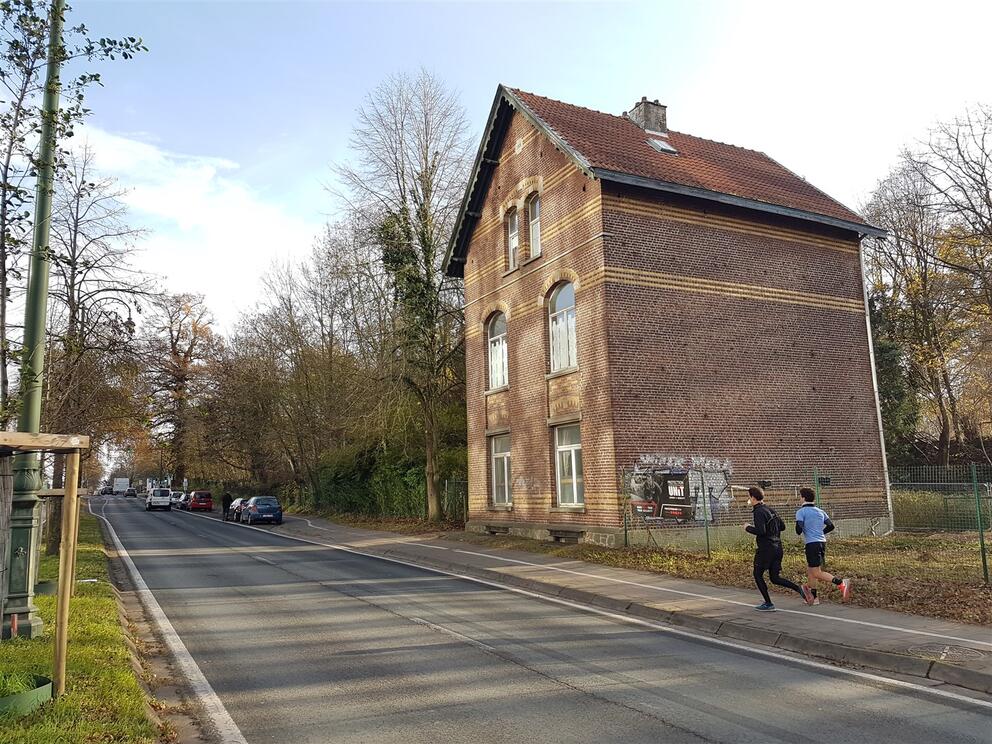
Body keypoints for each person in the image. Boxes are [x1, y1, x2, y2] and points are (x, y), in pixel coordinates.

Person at [744, 486, 810, 611]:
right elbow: (783, 526)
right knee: (775, 578)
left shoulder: (758, 511)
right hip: (777, 547)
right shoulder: (771, 510)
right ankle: (799, 589)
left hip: (766, 549)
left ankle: (768, 603)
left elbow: (761, 531)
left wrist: (747, 527)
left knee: (757, 574)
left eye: (749, 497)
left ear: (753, 498)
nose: (749, 500)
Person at [795, 488, 851, 604]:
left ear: (804, 498)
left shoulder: (801, 512)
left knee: (816, 573)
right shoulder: (820, 511)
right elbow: (831, 526)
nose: (799, 499)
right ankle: (813, 597)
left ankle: (840, 583)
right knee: (811, 570)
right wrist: (820, 533)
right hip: (821, 542)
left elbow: (798, 530)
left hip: (812, 544)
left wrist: (801, 526)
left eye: (800, 496)